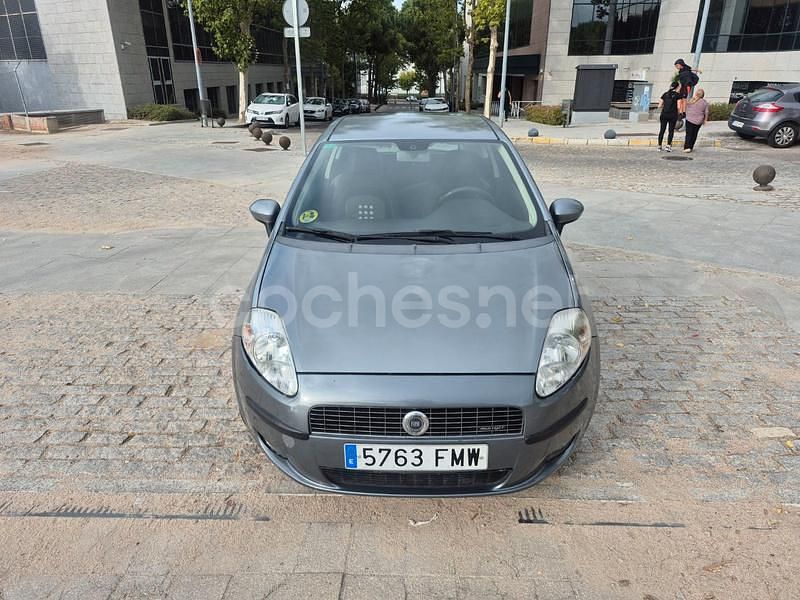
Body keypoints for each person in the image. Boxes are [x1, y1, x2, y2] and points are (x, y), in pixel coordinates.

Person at [657, 81, 681, 152]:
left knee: (662, 130)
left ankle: (659, 146)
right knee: (671, 131)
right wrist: (679, 113)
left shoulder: (665, 94)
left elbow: (659, 105)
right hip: (672, 115)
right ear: (677, 87)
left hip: (664, 114)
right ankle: (668, 146)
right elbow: (679, 107)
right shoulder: (677, 95)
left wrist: (665, 107)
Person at [683, 88, 709, 153]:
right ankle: (691, 147)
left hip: (689, 119)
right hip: (698, 121)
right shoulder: (705, 102)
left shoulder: (691, 100)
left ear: (696, 94)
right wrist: (705, 120)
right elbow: (706, 112)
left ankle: (687, 147)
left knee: (689, 134)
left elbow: (686, 106)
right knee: (694, 134)